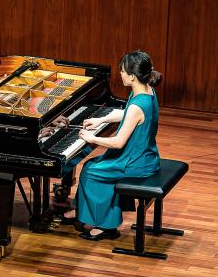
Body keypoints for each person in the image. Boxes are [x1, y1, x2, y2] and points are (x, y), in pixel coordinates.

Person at [61, 50, 162, 241]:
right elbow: (128, 115)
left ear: (132, 76)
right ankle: (89, 215)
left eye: (123, 71)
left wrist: (92, 138)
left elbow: (117, 142)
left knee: (91, 171)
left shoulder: (137, 105)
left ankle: (107, 226)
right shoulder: (147, 91)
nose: (121, 74)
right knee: (91, 166)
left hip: (135, 162)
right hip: (145, 155)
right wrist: (101, 119)